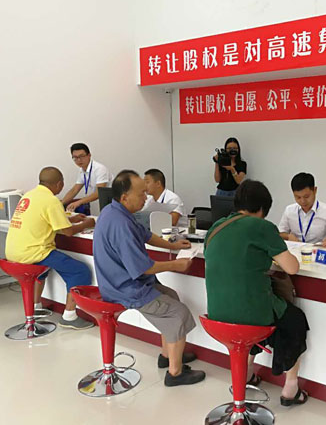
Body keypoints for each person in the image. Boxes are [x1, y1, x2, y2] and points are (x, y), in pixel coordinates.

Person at [93, 170, 205, 387]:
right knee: (178, 313)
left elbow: (146, 235)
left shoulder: (115, 211)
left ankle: (167, 355)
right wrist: (176, 265)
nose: (146, 198)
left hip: (120, 282)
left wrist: (173, 245)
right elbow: (143, 269)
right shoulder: (121, 225)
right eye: (141, 194)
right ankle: (175, 373)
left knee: (171, 295)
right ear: (125, 197)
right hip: (124, 288)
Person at [204, 180, 309, 406]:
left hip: (216, 316)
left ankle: (248, 373)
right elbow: (292, 268)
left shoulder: (216, 227)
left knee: (248, 318)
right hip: (250, 317)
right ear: (262, 209)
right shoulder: (261, 227)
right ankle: (290, 388)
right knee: (294, 320)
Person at [5, 167, 96, 329]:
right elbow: (67, 232)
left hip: (12, 253)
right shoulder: (51, 200)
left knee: (44, 269)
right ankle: (69, 316)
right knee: (79, 271)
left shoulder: (29, 196)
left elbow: (45, 220)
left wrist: (71, 219)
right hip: (32, 253)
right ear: (59, 184)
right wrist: (86, 224)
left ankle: (36, 306)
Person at [279, 172, 326, 247]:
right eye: (298, 197)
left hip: (319, 251)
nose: (302, 201)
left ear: (315, 190)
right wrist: (288, 236)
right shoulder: (289, 210)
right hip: (295, 251)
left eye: (306, 196)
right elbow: (280, 233)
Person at [62, 143, 113, 214]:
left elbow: (99, 193)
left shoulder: (100, 169)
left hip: (113, 200)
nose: (79, 160)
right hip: (104, 199)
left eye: (82, 156)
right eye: (75, 157)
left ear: (89, 155)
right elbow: (74, 190)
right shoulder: (82, 170)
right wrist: (60, 204)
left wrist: (78, 202)